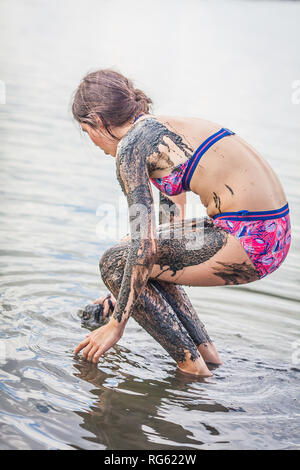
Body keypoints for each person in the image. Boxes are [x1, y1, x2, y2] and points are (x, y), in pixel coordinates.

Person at [72, 69, 291, 377]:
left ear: (95, 121)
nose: (93, 142)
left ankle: (193, 371)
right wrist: (123, 294)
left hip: (251, 240)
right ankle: (209, 358)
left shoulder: (131, 148)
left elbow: (144, 247)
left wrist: (115, 325)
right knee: (128, 257)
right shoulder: (157, 130)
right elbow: (167, 230)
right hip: (271, 234)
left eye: (86, 131)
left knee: (114, 262)